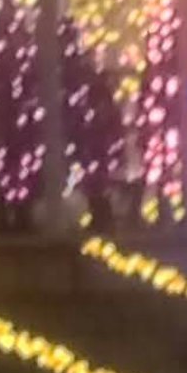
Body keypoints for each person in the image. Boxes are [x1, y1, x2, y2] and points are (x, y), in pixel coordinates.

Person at [0, 0, 43, 232]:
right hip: (11, 111)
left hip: (8, 111)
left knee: (9, 162)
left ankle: (10, 210)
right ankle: (15, 210)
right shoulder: (18, 38)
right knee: (14, 162)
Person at [63, 25, 126, 232]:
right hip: (92, 133)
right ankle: (101, 214)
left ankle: (101, 214)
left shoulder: (83, 78)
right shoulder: (87, 78)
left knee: (95, 176)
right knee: (95, 177)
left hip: (92, 133)